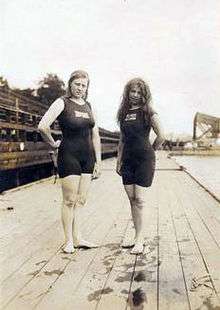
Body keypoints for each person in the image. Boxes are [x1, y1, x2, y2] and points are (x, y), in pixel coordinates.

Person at [38, 70, 101, 254]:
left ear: (87, 87)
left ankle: (78, 237)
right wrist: (53, 143)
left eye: (84, 85)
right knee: (69, 200)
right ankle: (68, 241)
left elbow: (95, 135)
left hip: (87, 158)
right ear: (70, 84)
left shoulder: (89, 106)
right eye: (77, 84)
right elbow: (43, 126)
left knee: (81, 200)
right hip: (69, 155)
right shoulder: (62, 102)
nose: (80, 88)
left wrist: (98, 161)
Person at [116, 78, 164, 254]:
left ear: (144, 94)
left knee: (140, 200)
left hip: (144, 160)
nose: (135, 95)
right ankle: (137, 235)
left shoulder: (149, 112)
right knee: (131, 200)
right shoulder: (124, 113)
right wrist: (118, 159)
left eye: (139, 92)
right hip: (127, 160)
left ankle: (140, 239)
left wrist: (150, 151)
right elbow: (122, 139)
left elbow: (162, 136)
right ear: (127, 92)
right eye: (132, 91)